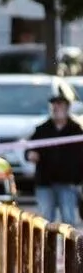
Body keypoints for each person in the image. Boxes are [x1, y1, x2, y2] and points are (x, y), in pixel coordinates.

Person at [27, 92, 83, 225]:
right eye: (54, 105)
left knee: (68, 220)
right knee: (45, 220)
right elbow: (29, 147)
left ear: (67, 108)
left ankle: (69, 246)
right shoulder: (42, 129)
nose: (56, 108)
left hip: (68, 182)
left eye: (60, 104)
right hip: (45, 182)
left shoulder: (76, 131)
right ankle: (47, 246)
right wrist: (30, 154)